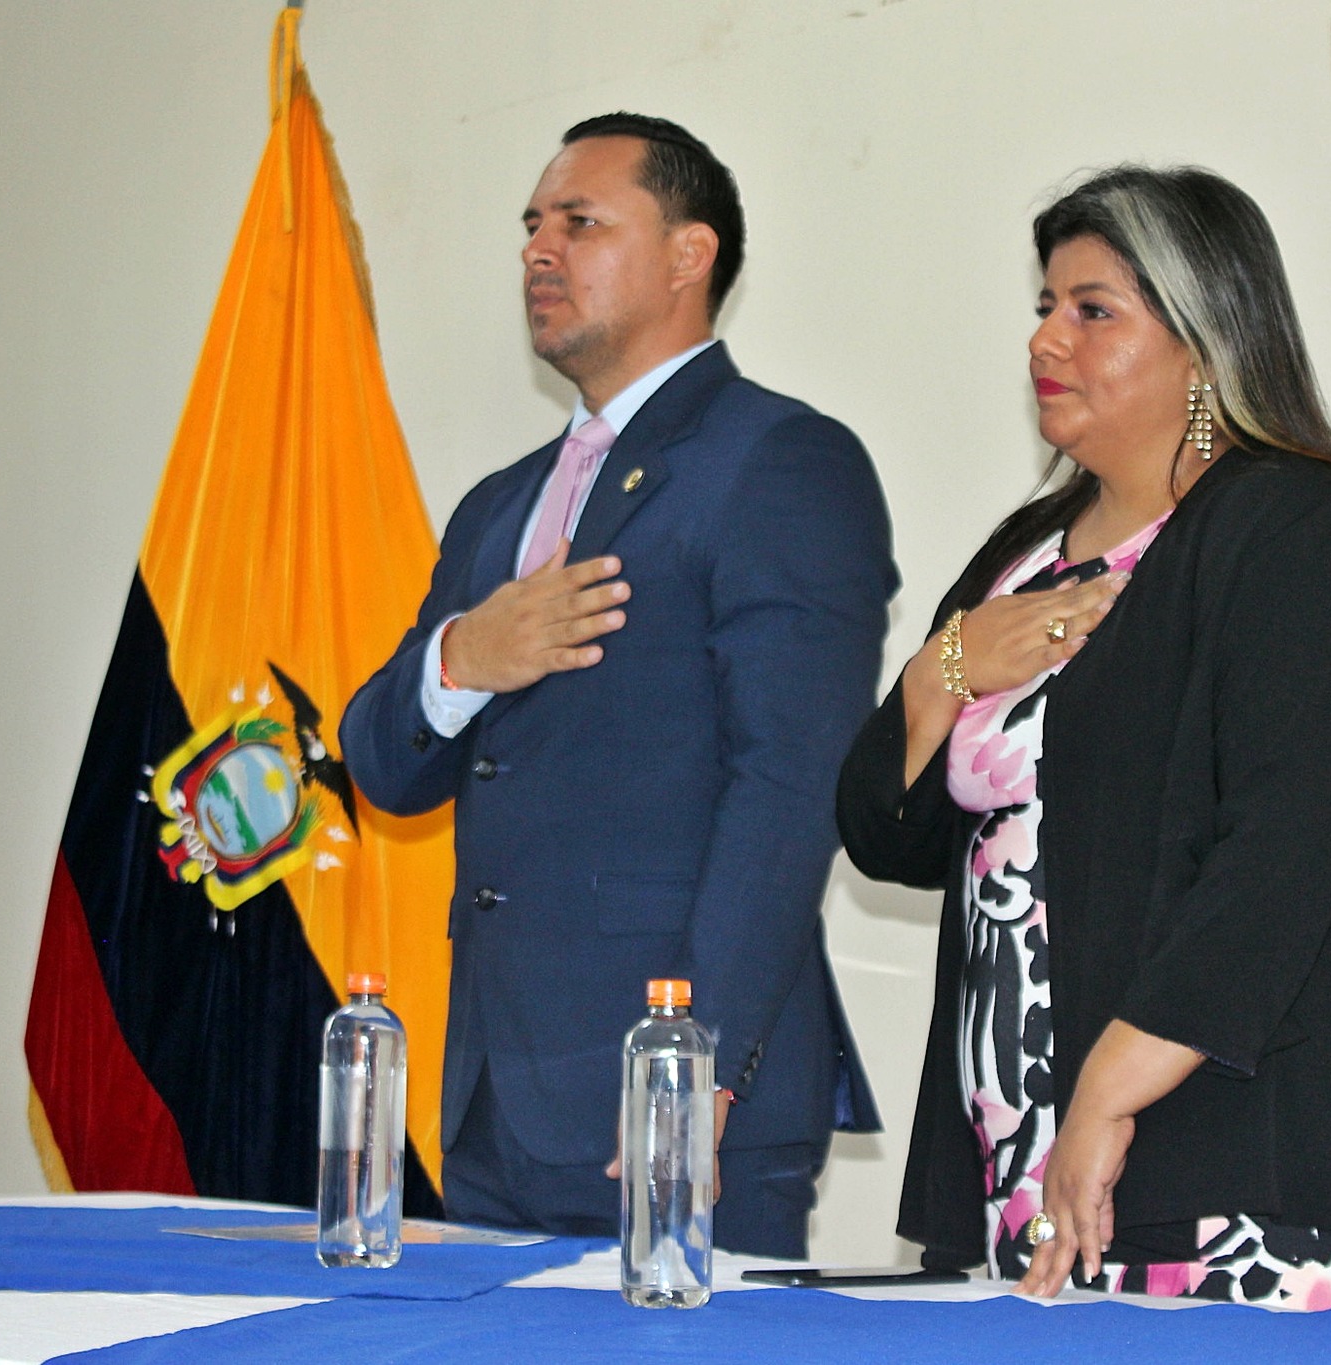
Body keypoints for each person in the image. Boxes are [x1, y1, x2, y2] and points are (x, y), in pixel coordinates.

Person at [836, 165, 1331, 1309]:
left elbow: (1282, 854)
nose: (1044, 340)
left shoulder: (1297, 530)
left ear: (1205, 347)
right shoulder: (1026, 551)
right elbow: (888, 836)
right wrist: (944, 668)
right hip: (1016, 1155)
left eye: (1091, 310)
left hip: (1227, 1162)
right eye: (1043, 307)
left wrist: (1106, 1093)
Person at [342, 113, 894, 1259]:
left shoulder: (780, 461)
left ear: (689, 254)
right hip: (493, 1103)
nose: (538, 250)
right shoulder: (499, 505)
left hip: (674, 1103)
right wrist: (461, 660)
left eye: (579, 222)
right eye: (530, 226)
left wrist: (695, 1066)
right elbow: (385, 767)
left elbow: (791, 783)